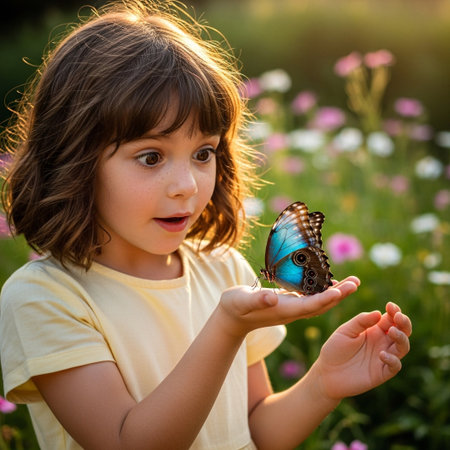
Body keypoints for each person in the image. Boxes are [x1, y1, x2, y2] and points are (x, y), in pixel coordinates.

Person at [0, 1, 412, 449]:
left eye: (204, 153)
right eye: (151, 157)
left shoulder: (223, 270)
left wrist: (322, 385)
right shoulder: (46, 298)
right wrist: (226, 328)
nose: (187, 186)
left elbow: (257, 430)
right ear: (74, 160)